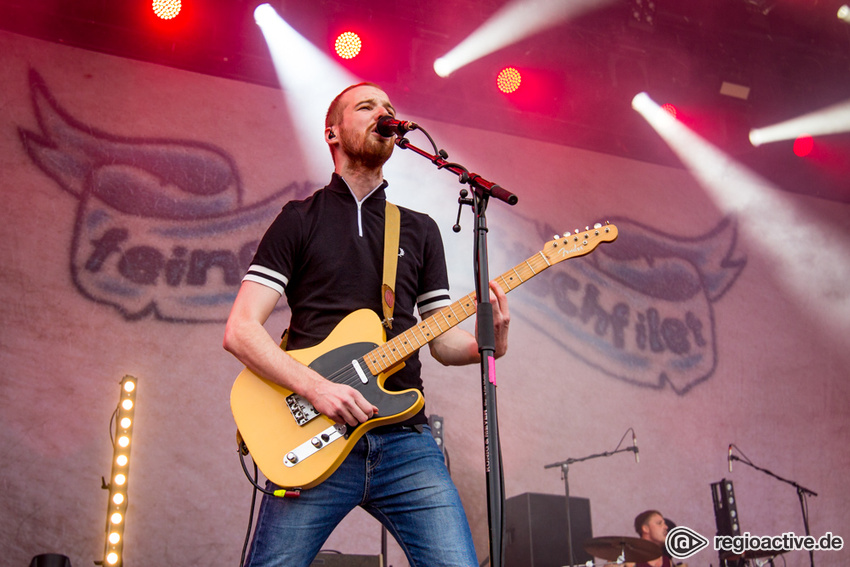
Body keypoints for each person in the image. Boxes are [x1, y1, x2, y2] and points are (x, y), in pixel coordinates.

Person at [223, 82, 510, 567]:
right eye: (367, 106)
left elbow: (440, 339)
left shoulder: (419, 229)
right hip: (317, 430)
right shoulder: (300, 219)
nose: (384, 113)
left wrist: (491, 341)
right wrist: (315, 388)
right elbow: (241, 330)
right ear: (332, 133)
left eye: (390, 109)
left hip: (405, 441)